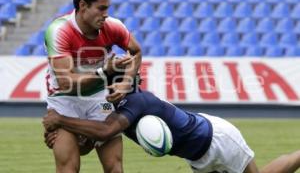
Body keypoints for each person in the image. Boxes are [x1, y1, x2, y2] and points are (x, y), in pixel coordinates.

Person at [43, 89, 300, 173]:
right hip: (197, 154)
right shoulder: (111, 112)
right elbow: (94, 142)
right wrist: (65, 135)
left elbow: (103, 131)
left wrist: (60, 119)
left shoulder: (136, 102)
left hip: (216, 139)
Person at [44, 0, 141, 173]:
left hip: (100, 99)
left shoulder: (113, 26)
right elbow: (66, 83)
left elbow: (135, 51)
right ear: (83, 6)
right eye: (101, 8)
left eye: (108, 8)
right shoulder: (59, 31)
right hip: (64, 101)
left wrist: (125, 83)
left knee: (115, 168)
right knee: (68, 169)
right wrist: (104, 71)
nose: (106, 15)